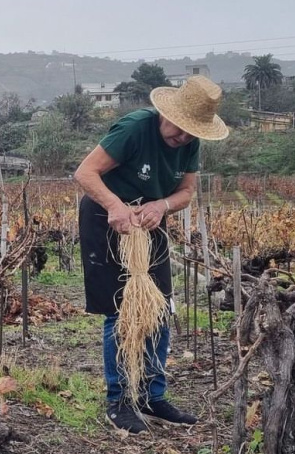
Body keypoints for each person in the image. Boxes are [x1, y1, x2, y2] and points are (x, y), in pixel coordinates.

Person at [74, 75, 229, 434]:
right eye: (180, 129)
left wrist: (162, 205)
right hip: (106, 219)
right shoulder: (134, 128)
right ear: (165, 113)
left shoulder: (190, 143)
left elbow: (187, 191)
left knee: (159, 308)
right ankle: (120, 400)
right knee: (121, 310)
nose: (184, 138)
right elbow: (85, 172)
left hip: (149, 222)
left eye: (193, 133)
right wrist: (115, 206)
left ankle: (152, 396)